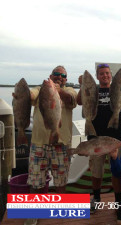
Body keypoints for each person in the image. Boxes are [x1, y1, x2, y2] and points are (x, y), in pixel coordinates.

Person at [76, 63, 121, 213]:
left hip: (115, 136)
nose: (105, 76)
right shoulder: (93, 89)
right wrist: (82, 85)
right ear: (97, 76)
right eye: (102, 74)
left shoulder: (117, 87)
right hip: (95, 136)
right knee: (96, 171)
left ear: (111, 75)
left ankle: (117, 202)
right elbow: (79, 101)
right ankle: (96, 198)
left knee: (117, 170)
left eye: (107, 73)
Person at [24, 65, 77, 225]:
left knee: (61, 181)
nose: (59, 76)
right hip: (39, 143)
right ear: (50, 75)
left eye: (63, 75)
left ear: (66, 79)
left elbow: (71, 100)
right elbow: (30, 96)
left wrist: (58, 90)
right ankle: (34, 212)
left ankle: (61, 209)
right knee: (36, 181)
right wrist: (22, 94)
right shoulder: (41, 89)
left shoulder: (70, 91)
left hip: (61, 144)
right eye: (56, 74)